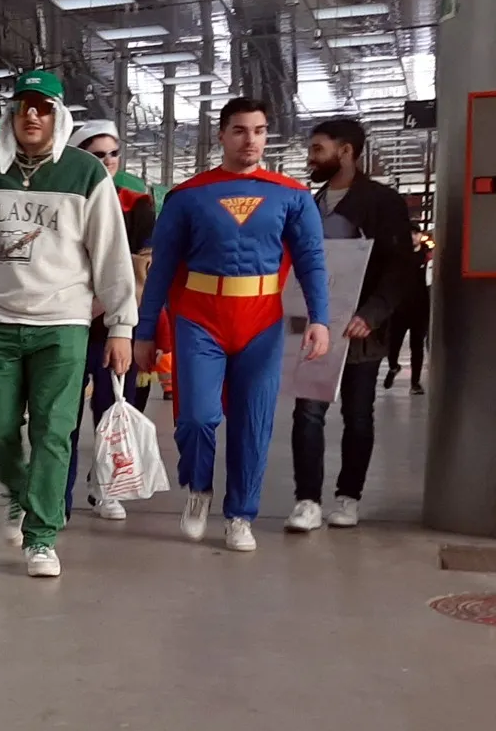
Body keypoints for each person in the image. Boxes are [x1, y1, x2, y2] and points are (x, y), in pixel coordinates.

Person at [0, 70, 139, 578]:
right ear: (12, 115)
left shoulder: (86, 175)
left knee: (53, 432)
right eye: (24, 106)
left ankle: (41, 537)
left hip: (63, 326)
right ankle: (21, 492)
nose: (32, 115)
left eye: (42, 107)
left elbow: (112, 256)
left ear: (58, 116)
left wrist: (123, 327)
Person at [133, 97, 330, 553]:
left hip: (261, 320)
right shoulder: (188, 196)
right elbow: (160, 269)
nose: (251, 140)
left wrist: (320, 319)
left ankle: (240, 514)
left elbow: (312, 262)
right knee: (197, 417)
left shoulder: (292, 196)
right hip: (200, 318)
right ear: (221, 135)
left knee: (253, 422)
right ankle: (198, 489)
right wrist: (145, 331)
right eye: (240, 130)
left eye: (259, 131)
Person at [285, 120, 416, 532]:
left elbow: (401, 268)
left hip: (363, 328)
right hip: (314, 324)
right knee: (307, 411)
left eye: (318, 149)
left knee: (359, 413)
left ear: (346, 152)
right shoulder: (309, 203)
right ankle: (306, 500)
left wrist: (373, 313)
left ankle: (349, 495)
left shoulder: (381, 202)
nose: (311, 157)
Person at [62, 120, 158, 522]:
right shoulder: (62, 198)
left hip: (113, 327)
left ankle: (104, 487)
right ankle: (57, 495)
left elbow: (139, 268)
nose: (107, 161)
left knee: (111, 409)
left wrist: (96, 306)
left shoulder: (136, 202)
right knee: (61, 415)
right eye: (97, 154)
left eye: (113, 153)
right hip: (65, 324)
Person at [385, 228, 430, 393]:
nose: (413, 236)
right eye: (409, 233)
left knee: (417, 346)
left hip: (420, 310)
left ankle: (415, 383)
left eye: (416, 233)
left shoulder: (428, 256)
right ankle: (393, 366)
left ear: (421, 235)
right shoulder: (399, 257)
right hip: (399, 309)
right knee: (393, 344)